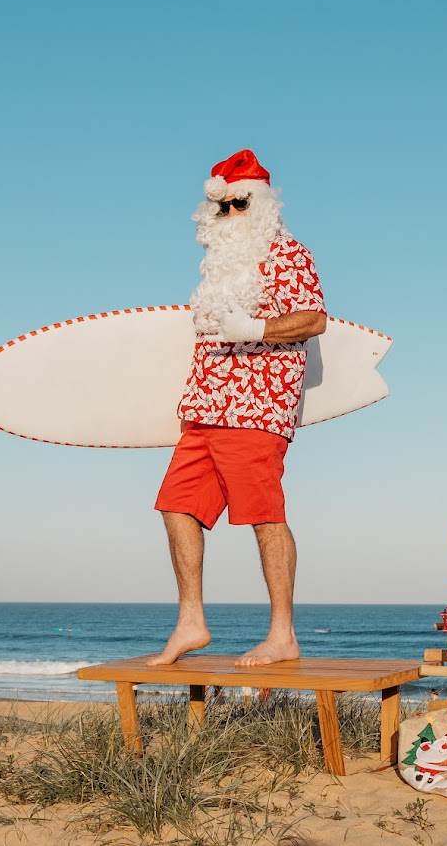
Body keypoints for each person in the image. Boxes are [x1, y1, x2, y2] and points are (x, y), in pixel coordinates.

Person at [150, 149, 327, 668]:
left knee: (263, 514)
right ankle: (191, 621)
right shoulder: (217, 269)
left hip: (256, 407)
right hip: (205, 405)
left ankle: (282, 635)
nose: (230, 215)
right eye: (221, 207)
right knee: (176, 505)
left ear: (263, 203)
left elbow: (313, 319)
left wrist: (257, 330)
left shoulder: (286, 252)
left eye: (239, 204)